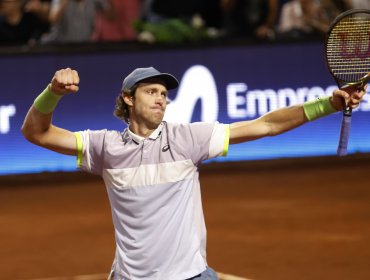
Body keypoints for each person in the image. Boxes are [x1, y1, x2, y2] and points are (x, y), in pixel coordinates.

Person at [21, 67, 366, 280]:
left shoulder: (188, 138)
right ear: (128, 98)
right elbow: (36, 133)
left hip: (192, 276)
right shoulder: (104, 147)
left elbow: (266, 125)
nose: (161, 99)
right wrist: (52, 93)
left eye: (164, 94)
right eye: (151, 92)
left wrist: (328, 105)